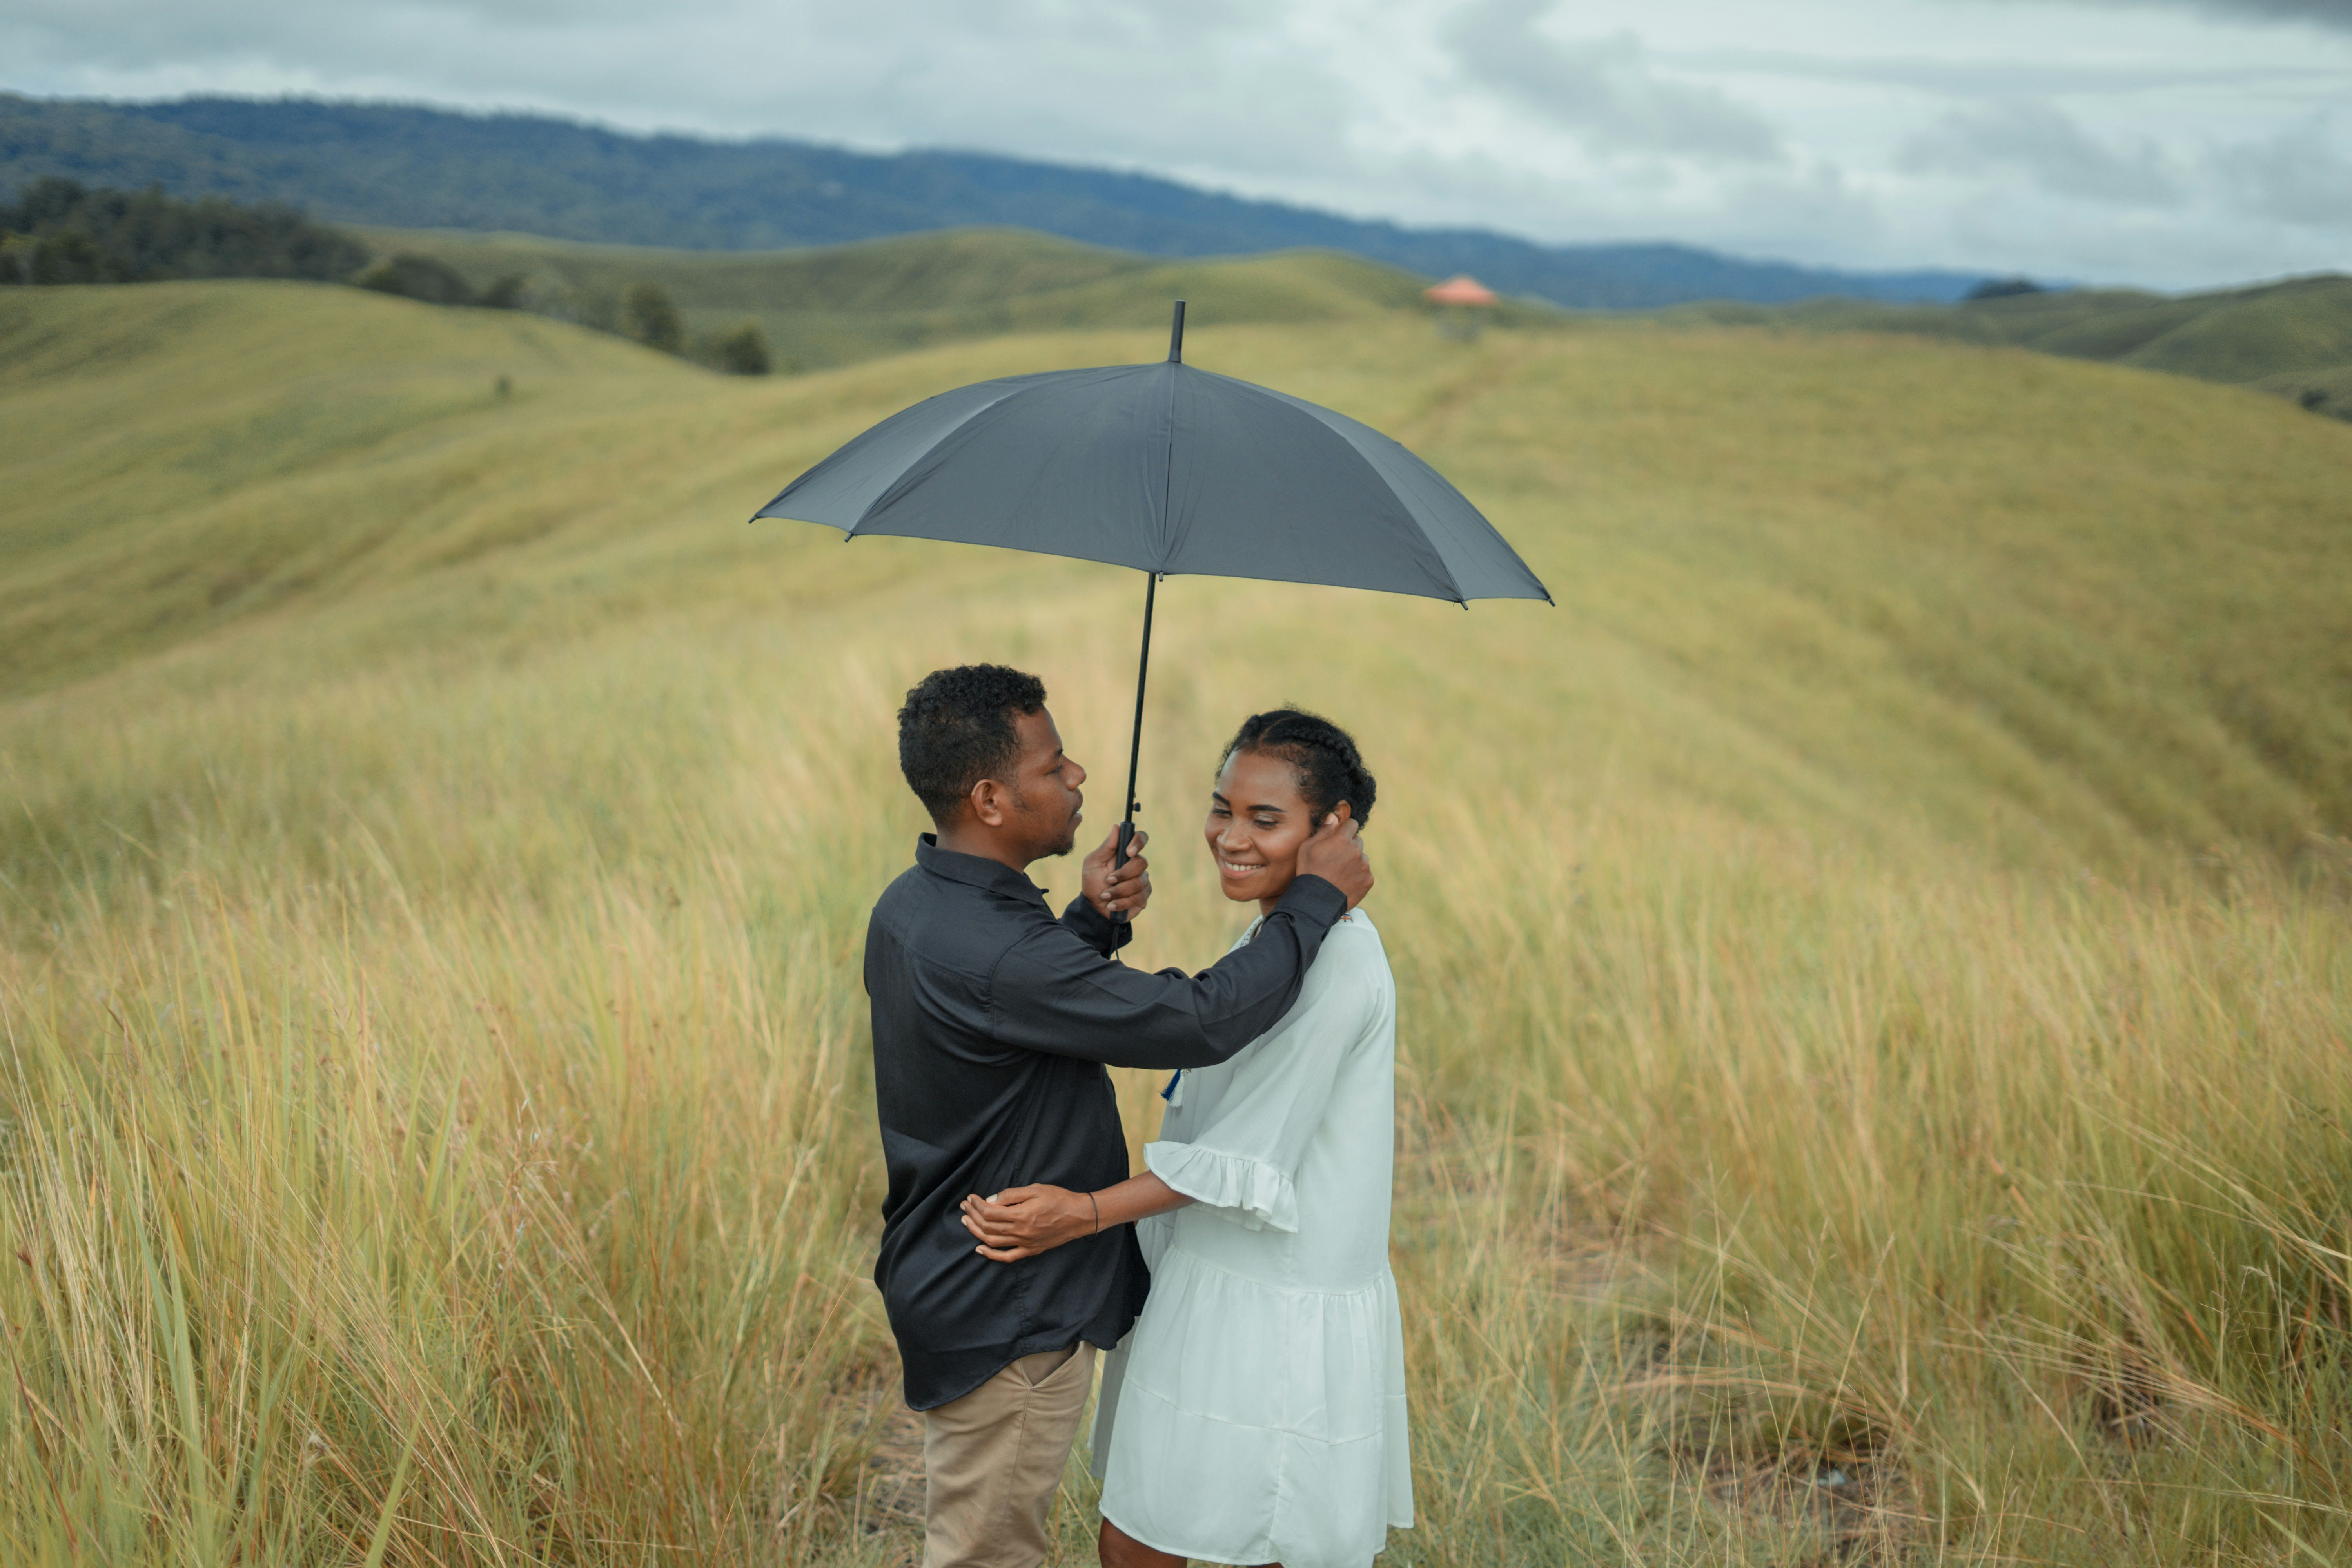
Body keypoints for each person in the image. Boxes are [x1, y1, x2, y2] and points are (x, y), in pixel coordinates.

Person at [867, 668, 1374, 1568]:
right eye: (1054, 763)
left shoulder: (916, 904)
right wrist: (1314, 902)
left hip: (957, 1274)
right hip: (1008, 1295)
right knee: (988, 1553)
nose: (1080, 777)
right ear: (991, 797)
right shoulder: (999, 948)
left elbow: (1009, 1004)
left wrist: (1092, 921)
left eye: (1265, 818)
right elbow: (1199, 1020)